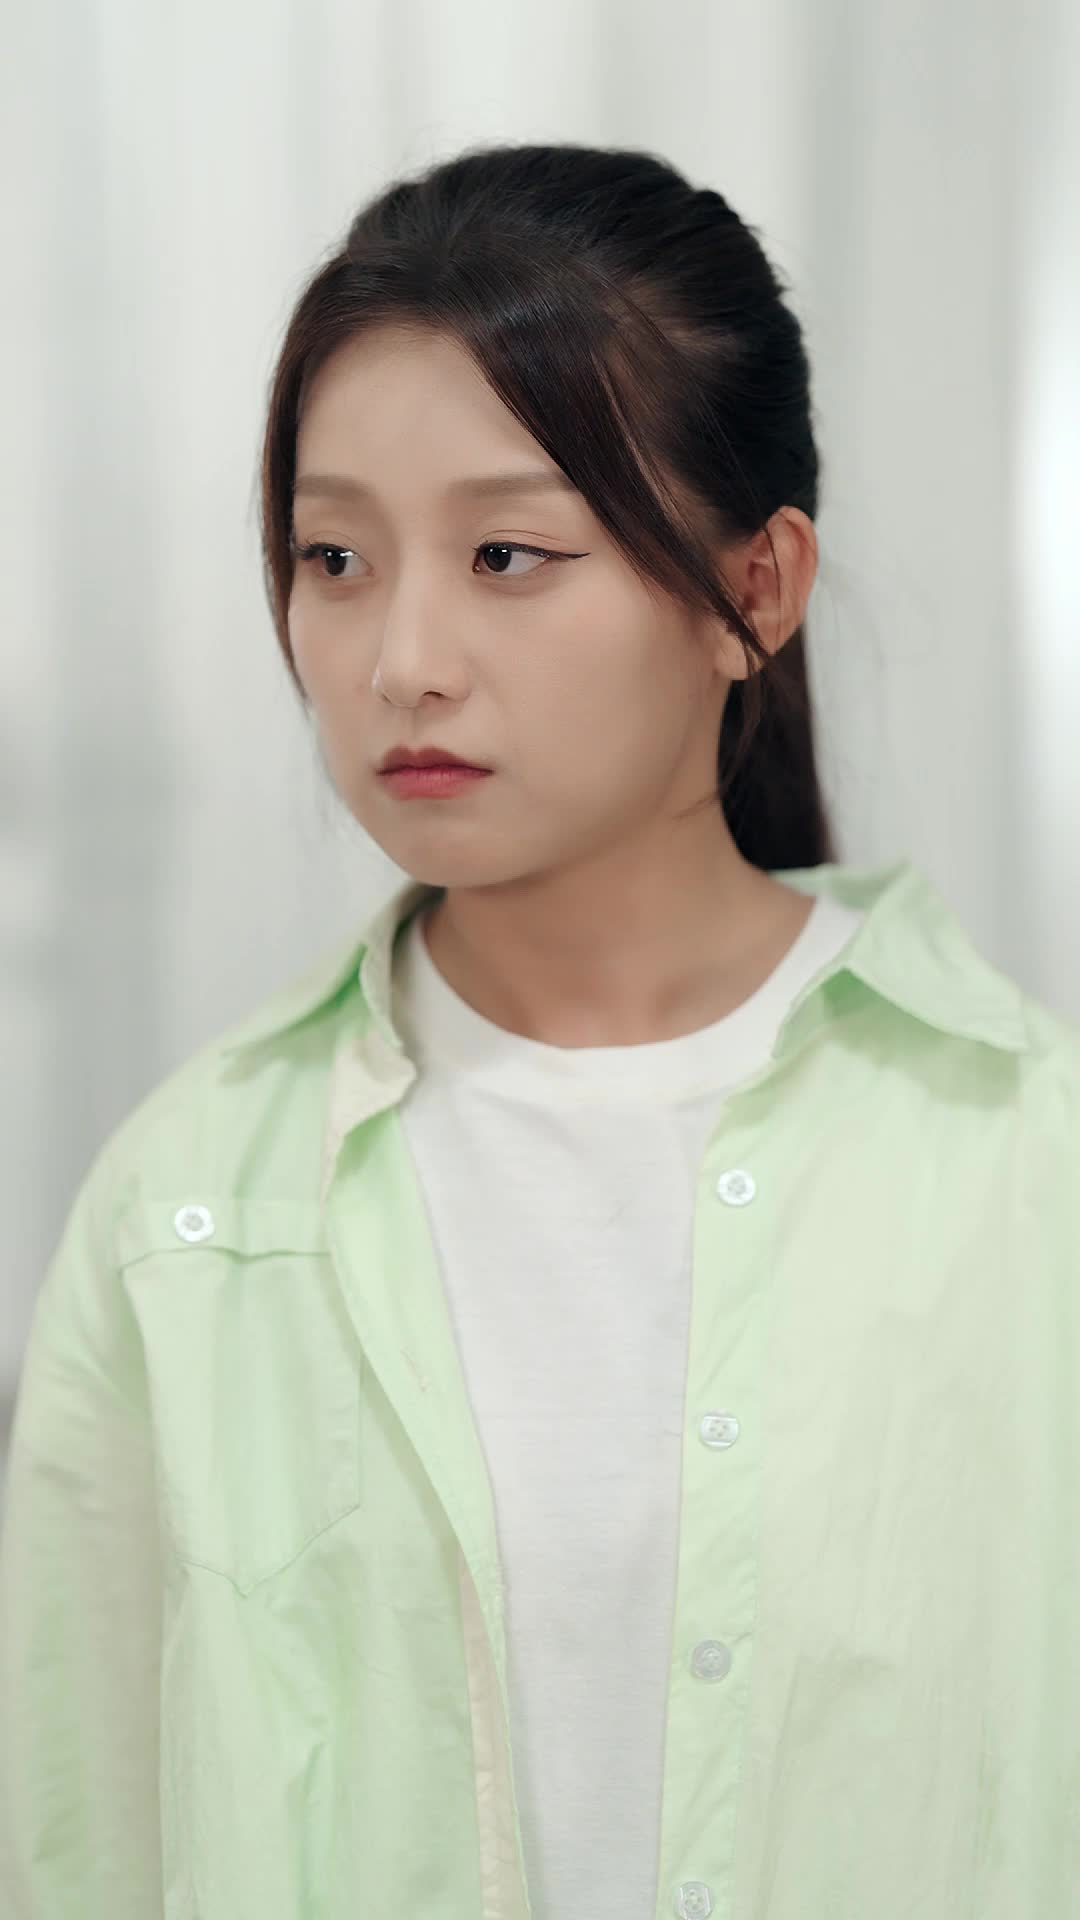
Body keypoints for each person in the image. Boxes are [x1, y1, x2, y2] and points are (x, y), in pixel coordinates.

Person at [1, 138, 1077, 1920]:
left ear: (757, 592)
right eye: (334, 557)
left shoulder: (1028, 1166)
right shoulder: (188, 1213)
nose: (401, 658)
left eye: (508, 552)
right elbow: (82, 1846)